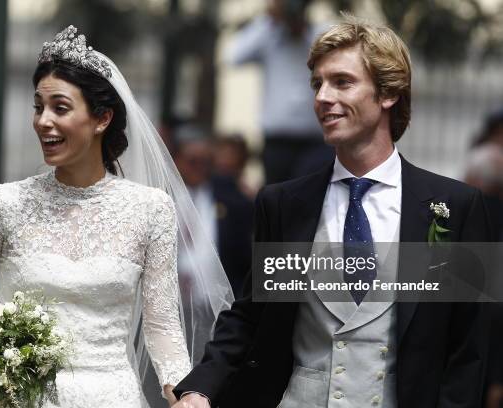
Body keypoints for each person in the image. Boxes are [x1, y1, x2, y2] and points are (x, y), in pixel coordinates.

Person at [0, 26, 233, 408]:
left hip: (111, 398)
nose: (43, 121)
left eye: (60, 107)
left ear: (101, 118)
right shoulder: (3, 204)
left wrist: (183, 394)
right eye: (38, 106)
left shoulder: (151, 209)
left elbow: (162, 326)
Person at [172, 16, 492, 408]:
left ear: (388, 93)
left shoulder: (453, 208)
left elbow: (469, 349)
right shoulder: (285, 205)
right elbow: (251, 315)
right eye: (317, 83)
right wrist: (200, 387)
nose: (322, 97)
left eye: (342, 82)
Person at [228, 0, 334, 184]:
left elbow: (338, 53)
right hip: (277, 143)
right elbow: (233, 56)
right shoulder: (268, 36)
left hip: (315, 142)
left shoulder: (319, 37)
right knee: (277, 203)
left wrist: (304, 30)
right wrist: (268, 19)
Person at [173, 124, 254, 298]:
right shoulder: (160, 194)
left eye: (206, 162)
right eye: (193, 161)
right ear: (177, 160)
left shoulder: (229, 198)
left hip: (216, 304)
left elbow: (243, 259)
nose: (200, 168)